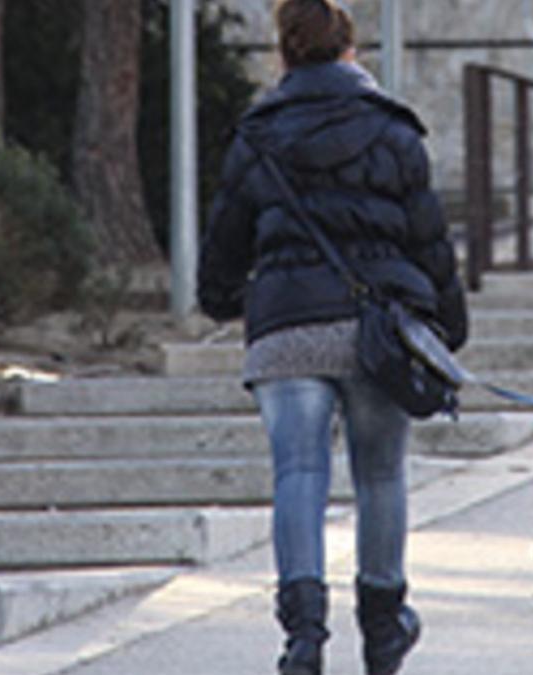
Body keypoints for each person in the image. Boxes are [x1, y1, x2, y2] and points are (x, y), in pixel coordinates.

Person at [197, 1, 467, 673]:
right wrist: (448, 327)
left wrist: (222, 297)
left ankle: (304, 637)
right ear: (351, 50)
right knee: (380, 473)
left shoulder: (257, 135)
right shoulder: (393, 129)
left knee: (298, 472)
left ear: (284, 55)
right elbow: (429, 239)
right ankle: (383, 625)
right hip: (377, 332)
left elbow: (226, 242)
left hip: (286, 328)